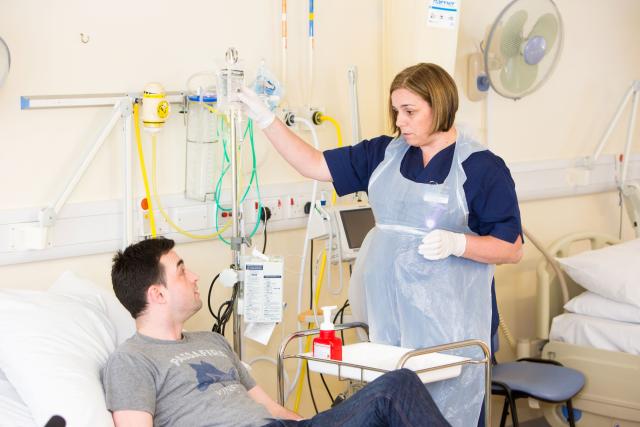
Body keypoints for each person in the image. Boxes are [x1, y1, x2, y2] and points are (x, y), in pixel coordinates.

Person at [238, 62, 523, 426]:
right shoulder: (384, 154)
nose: (400, 121)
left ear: (441, 106)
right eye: (396, 111)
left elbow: (511, 247)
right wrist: (266, 121)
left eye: (410, 111)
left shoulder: (482, 168)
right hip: (388, 327)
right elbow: (313, 164)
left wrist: (458, 243)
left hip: (452, 332)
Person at [102, 237, 451, 427]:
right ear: (157, 294)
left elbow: (271, 408)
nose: (194, 276)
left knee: (398, 384)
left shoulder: (212, 341)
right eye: (180, 271)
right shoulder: (132, 360)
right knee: (391, 390)